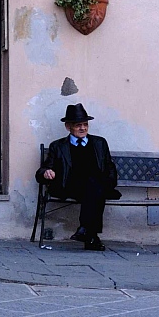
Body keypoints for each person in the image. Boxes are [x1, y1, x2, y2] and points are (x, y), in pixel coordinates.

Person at [36, 103, 119, 251]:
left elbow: (110, 167)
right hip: (70, 186)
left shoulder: (99, 143)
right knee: (94, 187)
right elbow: (42, 171)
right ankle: (91, 235)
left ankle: (85, 230)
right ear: (68, 127)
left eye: (85, 124)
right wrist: (46, 172)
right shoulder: (58, 146)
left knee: (94, 185)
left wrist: (109, 182)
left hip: (98, 186)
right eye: (78, 125)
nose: (83, 128)